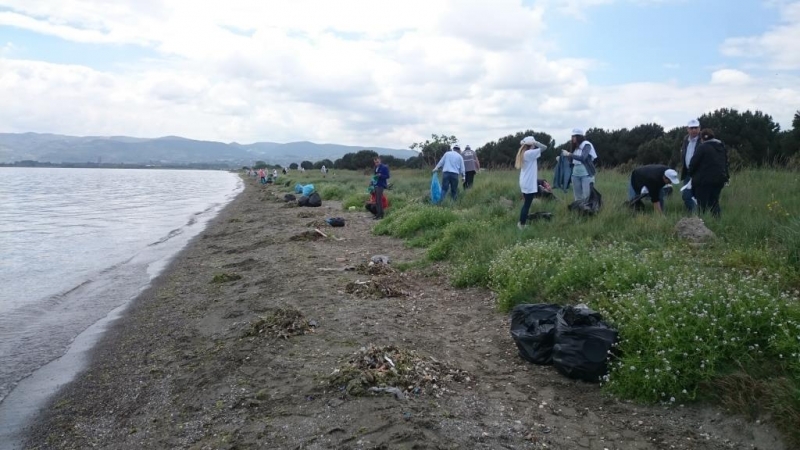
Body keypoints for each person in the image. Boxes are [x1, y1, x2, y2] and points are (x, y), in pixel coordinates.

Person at [689, 129, 729, 218]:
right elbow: (726, 163)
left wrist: (691, 174)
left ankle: (701, 225)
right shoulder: (721, 147)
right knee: (714, 203)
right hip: (719, 180)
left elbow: (693, 164)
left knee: (702, 206)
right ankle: (717, 222)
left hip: (703, 181)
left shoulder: (702, 147)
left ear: (702, 138)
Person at [516, 136, 547, 229]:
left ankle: (522, 221)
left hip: (524, 181)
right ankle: (522, 224)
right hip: (529, 183)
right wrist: (536, 142)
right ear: (531, 144)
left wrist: (531, 142)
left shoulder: (523, 153)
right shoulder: (529, 153)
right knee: (527, 205)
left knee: (526, 203)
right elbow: (544, 148)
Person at [562, 128, 597, 201]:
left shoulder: (587, 145)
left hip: (586, 174)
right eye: (572, 136)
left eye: (574, 136)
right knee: (577, 196)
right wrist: (563, 158)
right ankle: (578, 210)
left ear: (579, 137)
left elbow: (582, 158)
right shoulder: (574, 146)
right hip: (575, 174)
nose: (573, 138)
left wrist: (569, 154)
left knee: (587, 196)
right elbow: (572, 160)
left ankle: (587, 211)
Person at [678, 119, 701, 213]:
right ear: (688, 129)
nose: (694, 130)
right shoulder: (685, 140)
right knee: (686, 195)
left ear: (699, 128)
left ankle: (697, 216)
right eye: (691, 128)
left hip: (699, 173)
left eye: (696, 128)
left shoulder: (703, 140)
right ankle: (695, 216)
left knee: (698, 195)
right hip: (688, 173)